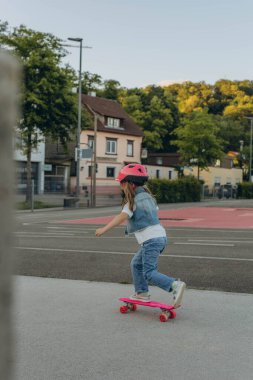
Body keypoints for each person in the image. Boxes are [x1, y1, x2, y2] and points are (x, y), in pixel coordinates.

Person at [95, 163, 186, 308]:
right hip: (160, 237)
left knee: (149, 272)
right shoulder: (150, 199)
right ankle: (142, 292)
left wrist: (103, 229)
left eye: (122, 183)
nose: (121, 187)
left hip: (151, 241)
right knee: (136, 264)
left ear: (130, 184)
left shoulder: (131, 203)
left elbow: (121, 217)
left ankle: (174, 285)